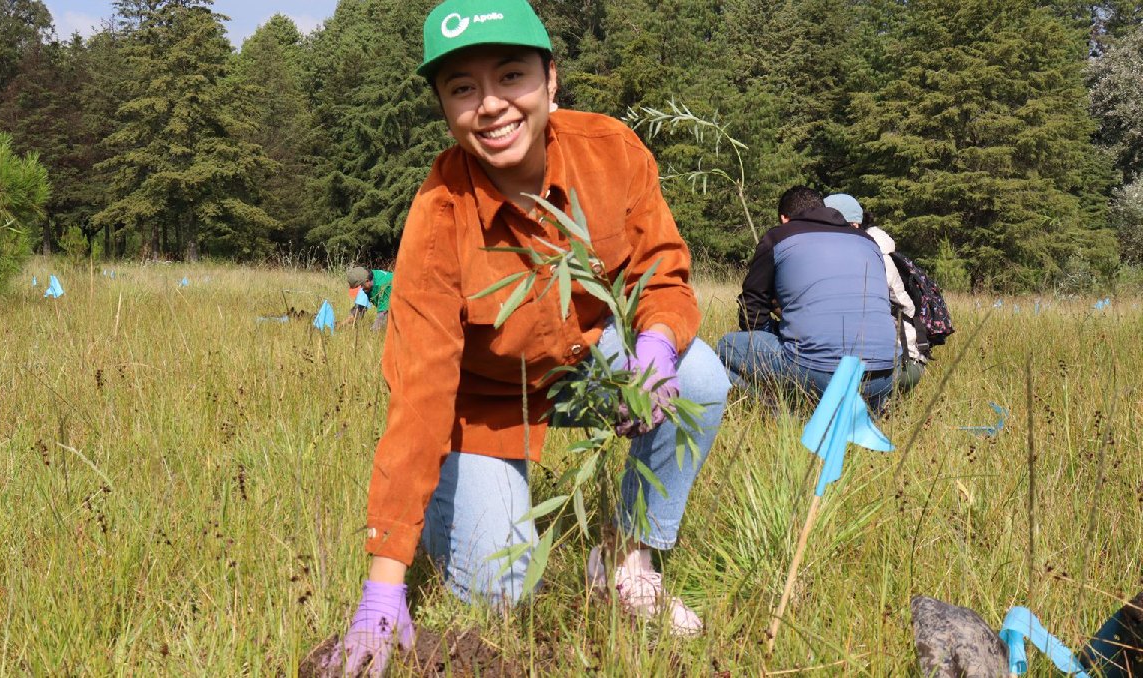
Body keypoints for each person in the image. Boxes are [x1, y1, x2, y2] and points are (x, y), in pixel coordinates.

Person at [338, 1, 731, 674]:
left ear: (550, 80)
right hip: (484, 406)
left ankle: (627, 562)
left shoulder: (611, 151)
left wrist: (657, 344)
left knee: (700, 377)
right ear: (445, 108)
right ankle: (449, 510)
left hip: (586, 362)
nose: (491, 104)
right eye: (463, 88)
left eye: (511, 76)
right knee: (502, 595)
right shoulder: (439, 214)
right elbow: (420, 394)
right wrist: (383, 583)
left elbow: (662, 271)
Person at [716, 186, 900, 411]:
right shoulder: (867, 240)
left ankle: (786, 413)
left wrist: (771, 332)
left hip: (818, 372)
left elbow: (751, 307)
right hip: (884, 374)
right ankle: (862, 411)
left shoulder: (778, 237)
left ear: (784, 218)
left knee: (726, 347)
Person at [823, 195, 926, 392]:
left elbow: (902, 307)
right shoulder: (869, 249)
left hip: (898, 361)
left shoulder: (876, 256)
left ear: (853, 225)